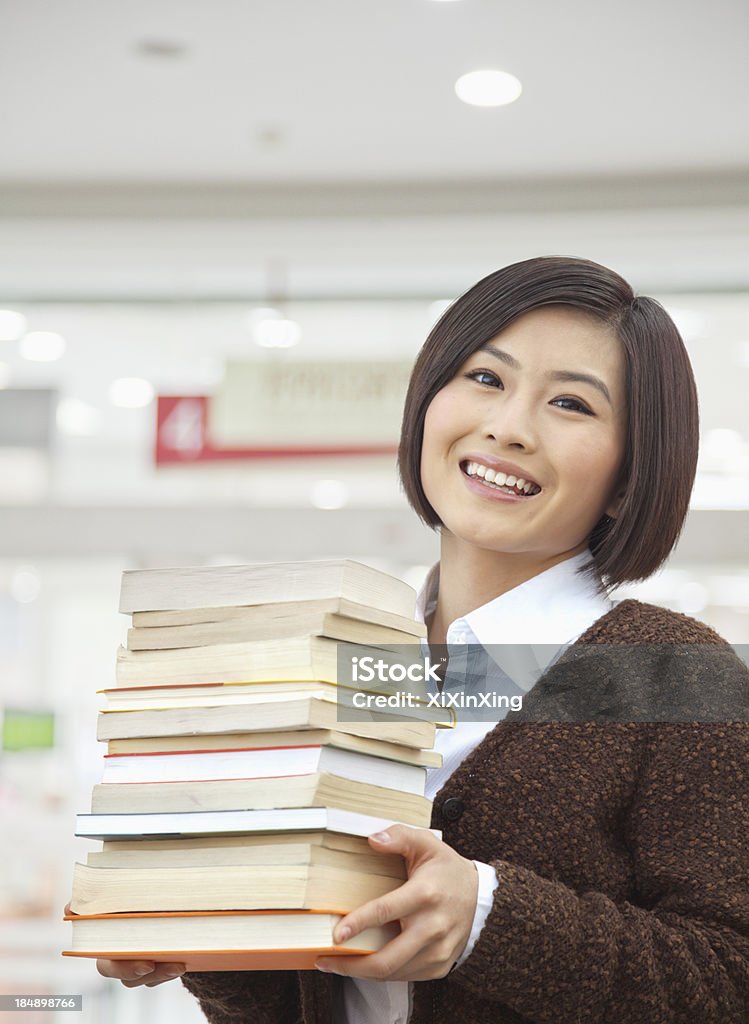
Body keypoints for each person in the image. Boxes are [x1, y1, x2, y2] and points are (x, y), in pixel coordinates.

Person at [96, 256, 749, 1022]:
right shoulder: (345, 662)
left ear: (628, 476)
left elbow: (729, 977)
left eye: (570, 403)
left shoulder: (672, 672)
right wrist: (213, 945)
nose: (507, 426)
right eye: (483, 378)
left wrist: (488, 917)